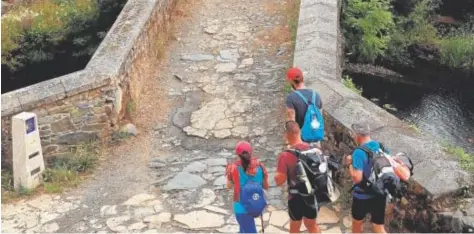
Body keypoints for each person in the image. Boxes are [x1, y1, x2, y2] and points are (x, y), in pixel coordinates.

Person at [274, 121, 322, 233]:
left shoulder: (285, 155)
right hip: (313, 194)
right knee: (312, 224)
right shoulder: (316, 150)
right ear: (299, 132)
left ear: (287, 134)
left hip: (296, 197)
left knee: (295, 227)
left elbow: (279, 181)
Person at [344, 123, 391, 233]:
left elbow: (357, 178)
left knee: (357, 222)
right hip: (380, 193)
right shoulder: (382, 146)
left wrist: (349, 164)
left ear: (358, 135)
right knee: (378, 226)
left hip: (362, 195)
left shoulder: (359, 152)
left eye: (353, 134)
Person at [226, 141, 269, 233]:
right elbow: (266, 186)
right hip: (256, 204)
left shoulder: (233, 168)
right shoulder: (260, 167)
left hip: (241, 208)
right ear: (251, 152)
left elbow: (229, 186)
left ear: (237, 154)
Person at [285, 67, 324, 147]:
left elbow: (291, 120)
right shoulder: (315, 94)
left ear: (291, 81)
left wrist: (289, 142)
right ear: (302, 78)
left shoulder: (291, 97)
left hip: (301, 138)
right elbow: (319, 113)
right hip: (315, 134)